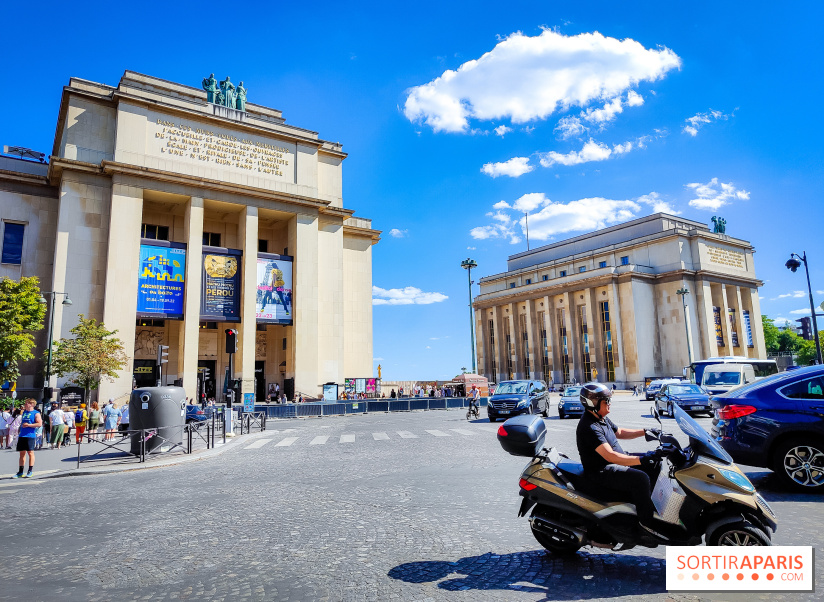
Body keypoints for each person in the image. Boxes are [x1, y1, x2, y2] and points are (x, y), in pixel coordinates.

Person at [576, 382, 663, 536]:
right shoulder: (589, 426)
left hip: (614, 462)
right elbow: (611, 456)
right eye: (606, 401)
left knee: (655, 463)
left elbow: (620, 432)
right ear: (593, 403)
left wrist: (645, 432)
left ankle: (647, 504)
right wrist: (641, 460)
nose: (609, 403)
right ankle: (646, 524)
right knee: (641, 478)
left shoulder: (600, 418)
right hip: (601, 472)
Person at [15, 399, 42, 478]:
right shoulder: (24, 412)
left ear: (32, 404)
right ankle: (20, 472)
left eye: (27, 404)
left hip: (30, 435)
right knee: (22, 453)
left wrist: (29, 425)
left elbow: (39, 424)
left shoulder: (36, 413)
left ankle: (30, 471)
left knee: (30, 453)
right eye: (25, 403)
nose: (25, 405)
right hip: (22, 435)